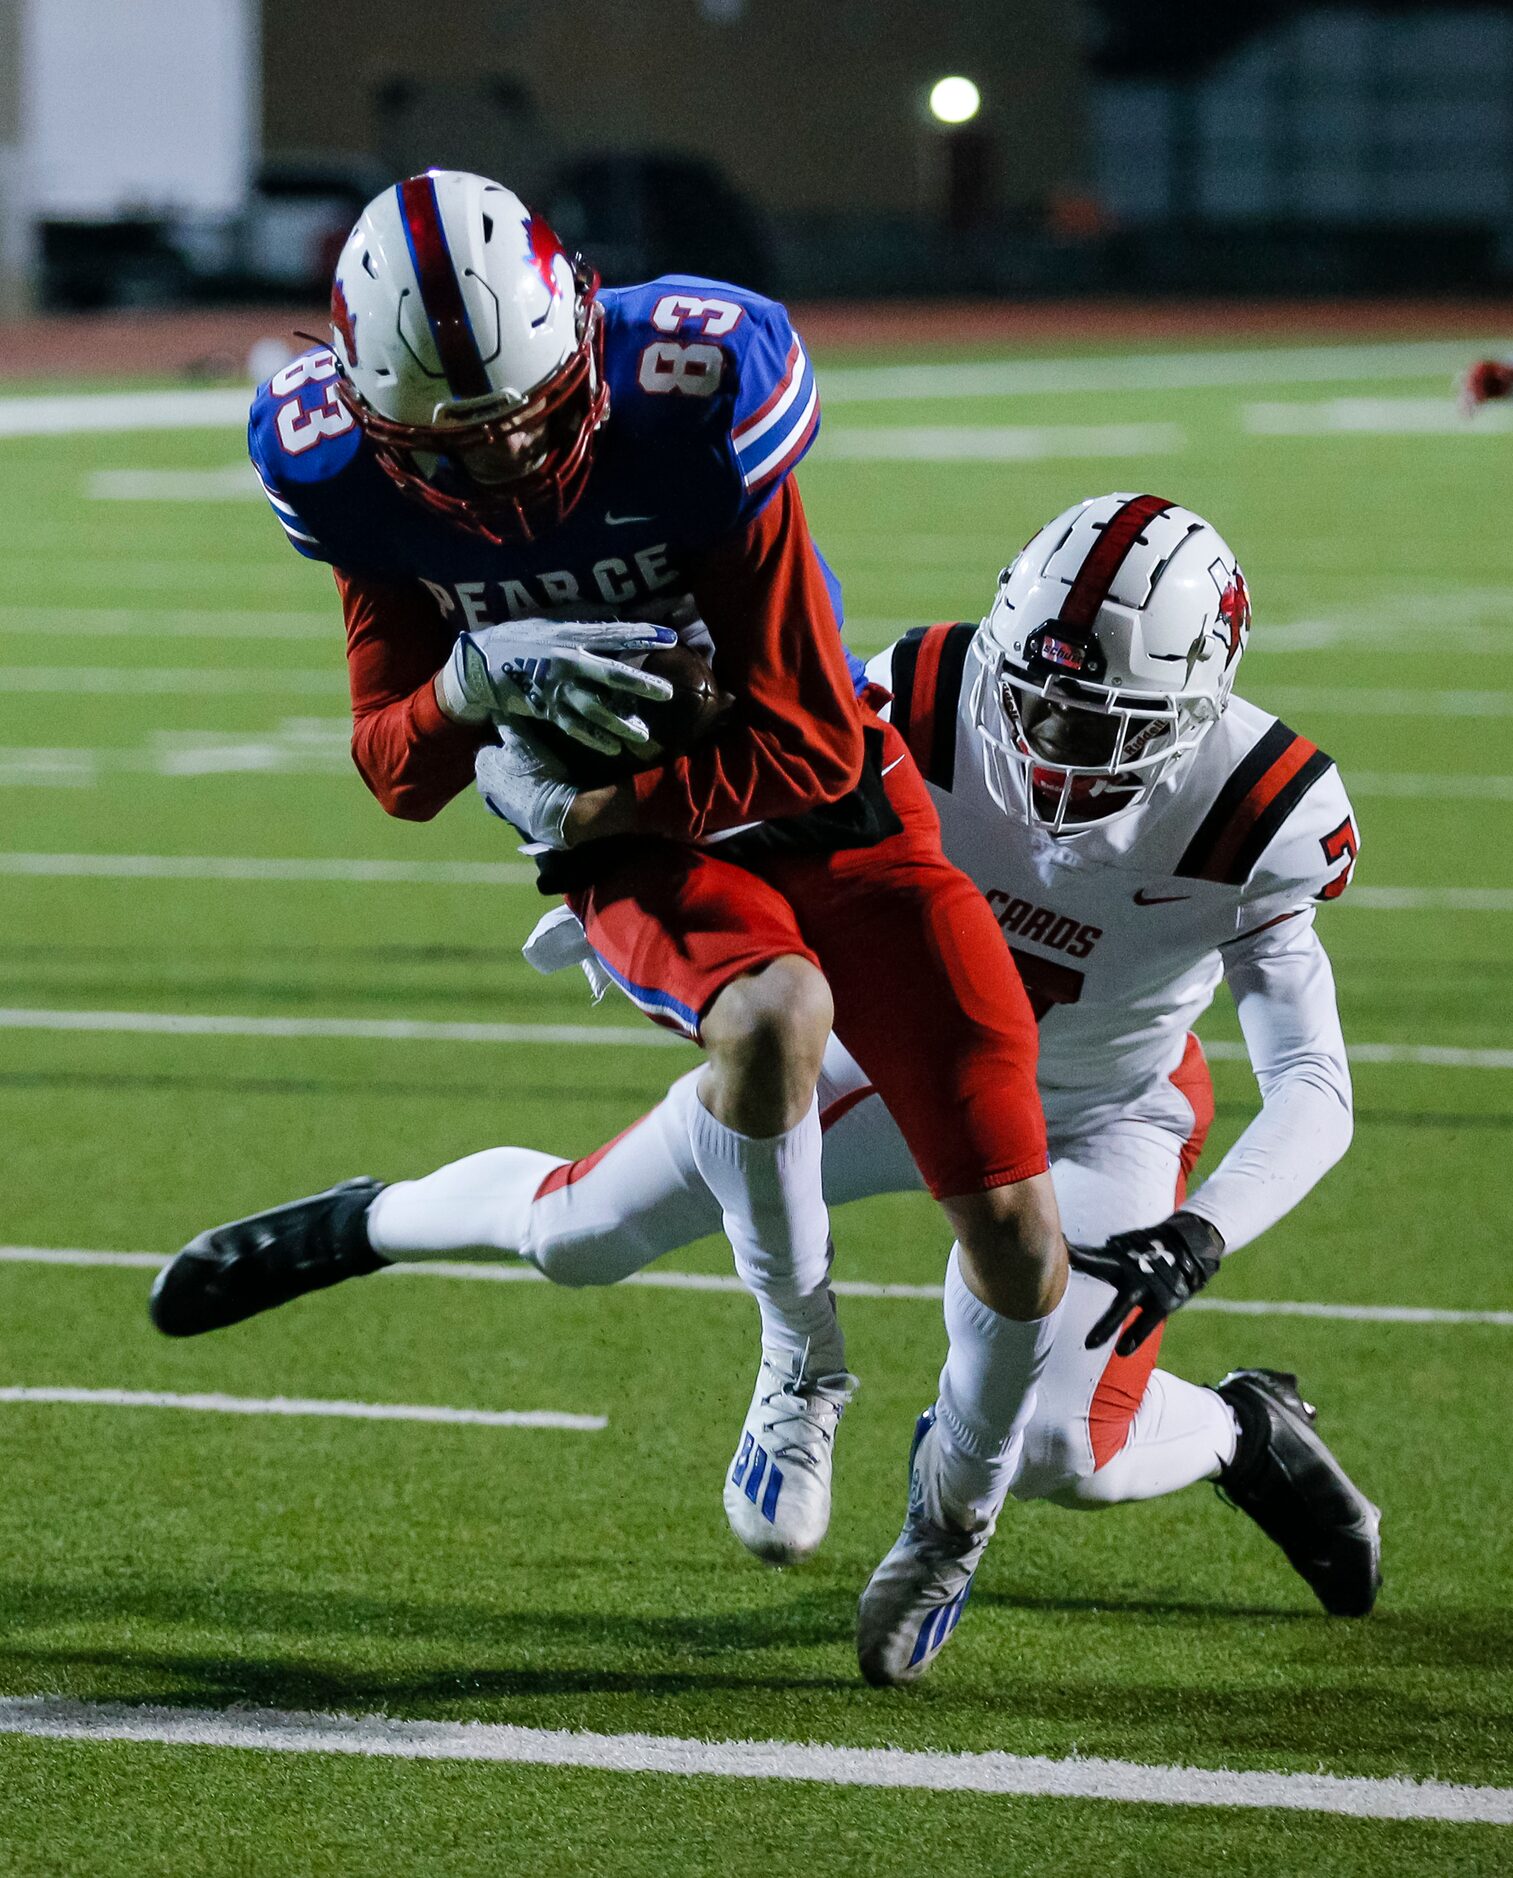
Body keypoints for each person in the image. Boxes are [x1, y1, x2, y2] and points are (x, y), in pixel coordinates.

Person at [154, 491, 1382, 1683]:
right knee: (578, 1234)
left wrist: (1198, 1234)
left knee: (1067, 1445)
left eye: (1097, 722)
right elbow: (775, 800)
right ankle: (359, 1222)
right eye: (1032, 701)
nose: (1048, 746)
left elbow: (1313, 1082)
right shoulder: (924, 688)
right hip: (894, 1053)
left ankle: (1237, 1432)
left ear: (1197, 702)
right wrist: (625, 872)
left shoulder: (1258, 810)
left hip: (1109, 1111)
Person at [153, 170, 1072, 1676]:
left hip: (799, 803)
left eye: (526, 412)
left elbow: (809, 746)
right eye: (461, 439)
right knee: (773, 1016)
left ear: (583, 330)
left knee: (1022, 1237)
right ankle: (801, 1356)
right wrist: (475, 682)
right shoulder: (341, 473)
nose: (510, 459)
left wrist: (586, 810)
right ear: (383, 422)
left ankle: (948, 1526)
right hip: (648, 849)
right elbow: (395, 763)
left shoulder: (693, 391)